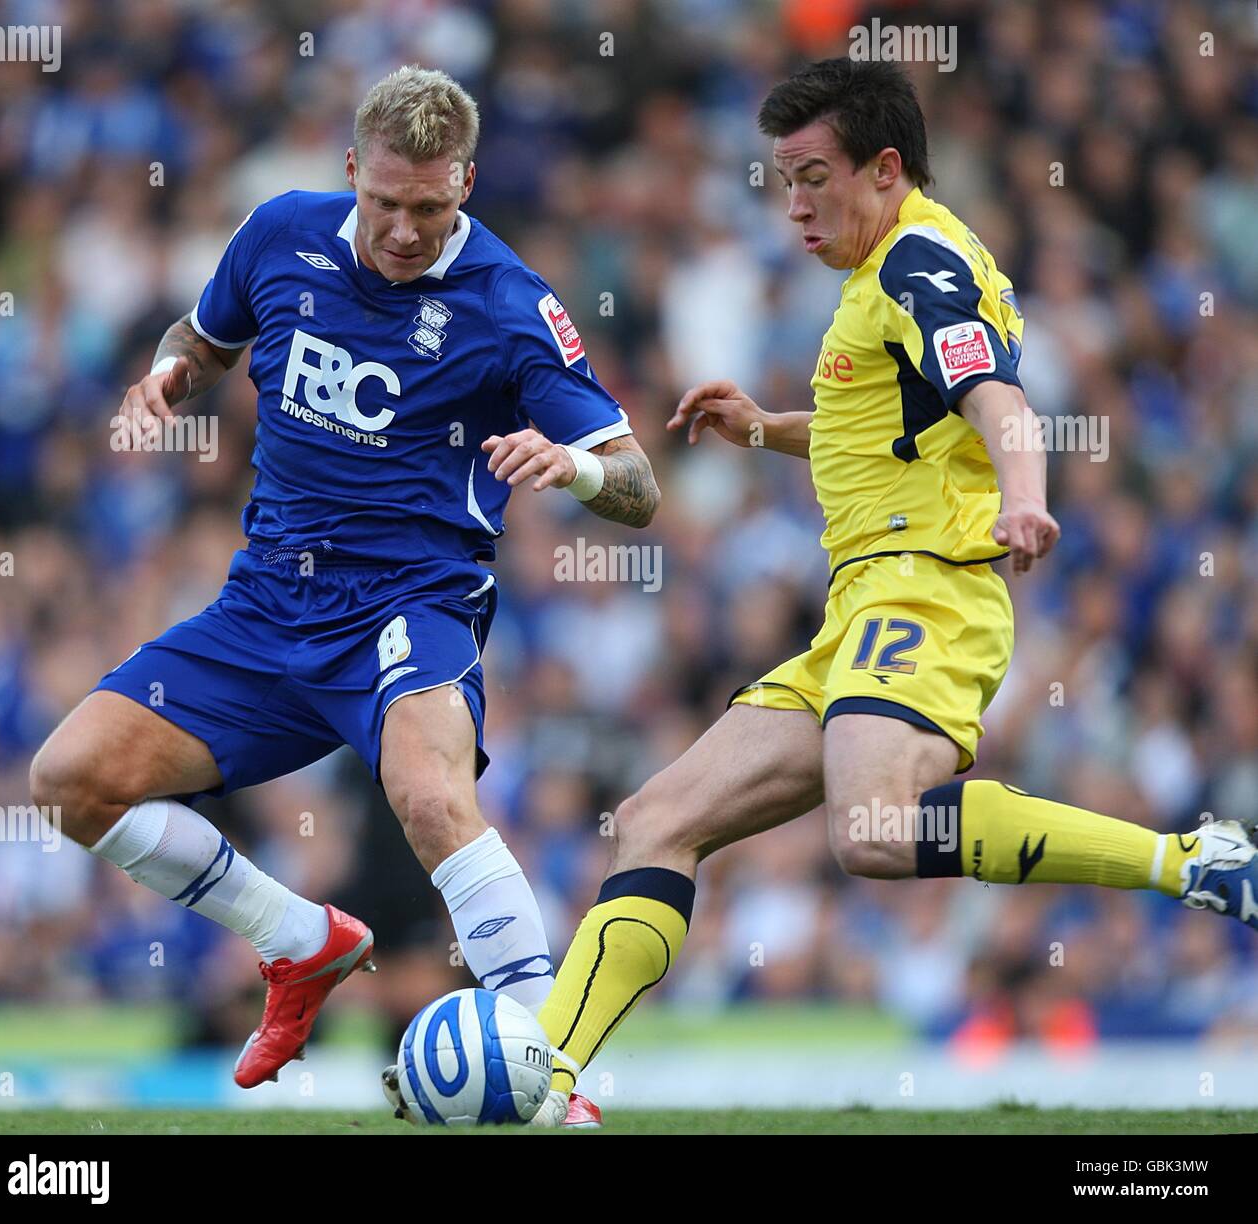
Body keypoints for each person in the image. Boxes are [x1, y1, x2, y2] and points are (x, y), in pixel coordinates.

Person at [506, 57, 1255, 1128]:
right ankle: (553, 1081)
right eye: (781, 180)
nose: (796, 205)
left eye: (814, 176)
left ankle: (1189, 859)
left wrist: (1026, 501)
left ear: (885, 167)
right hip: (862, 608)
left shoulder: (919, 264)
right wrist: (765, 428)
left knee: (870, 829)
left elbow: (999, 402)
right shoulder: (883, 278)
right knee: (652, 821)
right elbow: (902, 424)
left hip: (925, 596)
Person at [29, 65, 658, 1117]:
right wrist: (168, 374)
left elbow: (636, 487)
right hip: (266, 606)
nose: (406, 230)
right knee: (71, 780)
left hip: (410, 605)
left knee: (428, 798)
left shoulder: (510, 305)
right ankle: (298, 943)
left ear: (466, 181)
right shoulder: (280, 234)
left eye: (432, 207)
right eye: (386, 203)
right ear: (353, 170)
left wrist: (576, 468)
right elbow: (204, 336)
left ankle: (556, 1072)